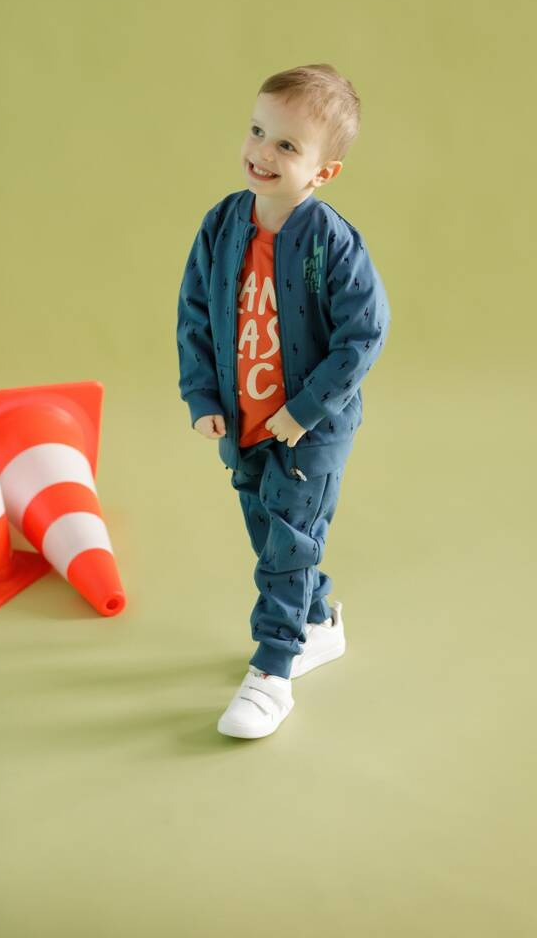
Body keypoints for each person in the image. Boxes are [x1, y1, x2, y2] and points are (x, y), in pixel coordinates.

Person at [176, 63, 391, 739]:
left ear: (323, 172)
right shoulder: (222, 225)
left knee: (288, 547)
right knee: (269, 533)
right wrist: (202, 393)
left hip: (306, 432)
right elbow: (194, 314)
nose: (261, 152)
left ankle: (272, 671)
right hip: (244, 423)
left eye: (287, 145)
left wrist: (305, 410)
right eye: (257, 131)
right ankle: (318, 619)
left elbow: (364, 333)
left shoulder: (331, 242)